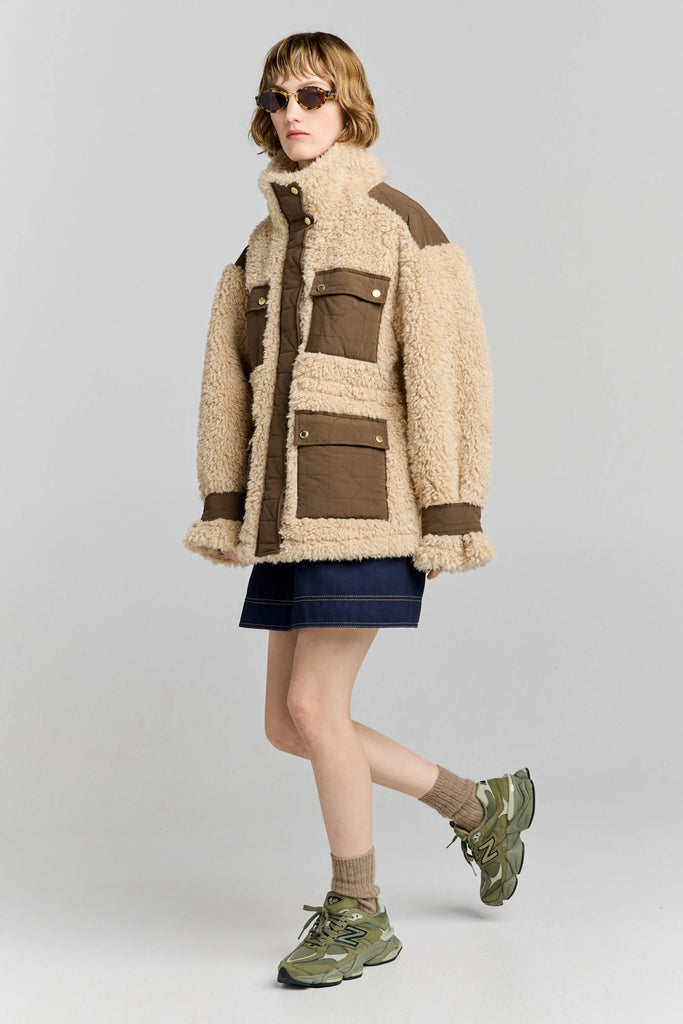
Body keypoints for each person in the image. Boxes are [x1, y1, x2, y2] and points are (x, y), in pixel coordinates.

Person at [183, 31, 535, 988]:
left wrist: (452, 513)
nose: (291, 113)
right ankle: (480, 807)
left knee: (312, 706)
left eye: (311, 95)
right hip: (284, 520)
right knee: (286, 724)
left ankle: (358, 908)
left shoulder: (398, 225)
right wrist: (226, 505)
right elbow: (227, 390)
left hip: (367, 509)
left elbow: (450, 377)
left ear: (349, 107)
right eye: (276, 99)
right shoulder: (259, 248)